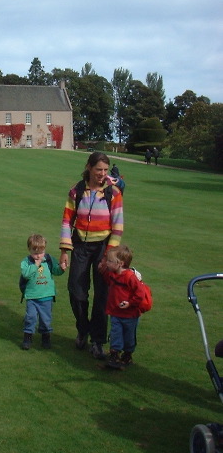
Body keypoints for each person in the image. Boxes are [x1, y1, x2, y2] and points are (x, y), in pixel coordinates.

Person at [59, 152, 124, 360]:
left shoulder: (113, 193)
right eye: (98, 170)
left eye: (105, 170)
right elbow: (67, 222)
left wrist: (108, 256)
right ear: (89, 167)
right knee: (76, 291)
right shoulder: (76, 191)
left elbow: (118, 227)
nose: (102, 174)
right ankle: (83, 329)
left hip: (103, 247)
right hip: (80, 245)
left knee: (102, 295)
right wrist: (64, 251)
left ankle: (97, 341)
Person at [99, 245, 144, 368]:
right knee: (115, 334)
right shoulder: (113, 274)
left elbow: (140, 294)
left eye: (110, 261)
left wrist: (130, 303)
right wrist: (102, 269)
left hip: (130, 315)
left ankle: (127, 355)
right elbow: (108, 280)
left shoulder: (130, 277)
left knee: (129, 337)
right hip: (115, 313)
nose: (107, 263)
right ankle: (114, 356)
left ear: (120, 263)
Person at [20, 234, 65, 350]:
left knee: (46, 319)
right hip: (32, 296)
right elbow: (26, 274)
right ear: (29, 250)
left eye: (41, 252)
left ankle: (46, 336)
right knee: (30, 318)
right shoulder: (26, 262)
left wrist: (61, 268)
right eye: (35, 253)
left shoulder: (49, 260)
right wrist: (36, 264)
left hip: (46, 296)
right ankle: (27, 337)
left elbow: (56, 271)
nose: (38, 255)